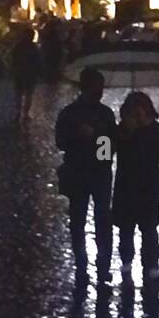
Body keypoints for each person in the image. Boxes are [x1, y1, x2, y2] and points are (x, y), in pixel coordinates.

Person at [55, 67, 118, 283]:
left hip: (95, 173)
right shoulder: (73, 114)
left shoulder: (103, 114)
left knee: (96, 220)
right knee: (81, 220)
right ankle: (84, 263)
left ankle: (99, 264)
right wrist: (81, 136)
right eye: (97, 87)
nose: (99, 91)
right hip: (81, 172)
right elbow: (61, 142)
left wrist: (95, 135)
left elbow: (108, 149)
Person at [112, 92, 159, 282]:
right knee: (126, 228)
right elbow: (105, 154)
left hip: (148, 189)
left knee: (149, 229)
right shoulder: (121, 133)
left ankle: (151, 265)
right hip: (126, 187)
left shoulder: (155, 134)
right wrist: (125, 134)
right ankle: (126, 261)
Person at [9, 27, 42, 126]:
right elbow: (38, 61)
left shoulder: (18, 46)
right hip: (28, 73)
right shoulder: (32, 47)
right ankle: (23, 113)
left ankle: (19, 113)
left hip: (22, 72)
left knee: (20, 94)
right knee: (27, 94)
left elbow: (13, 58)